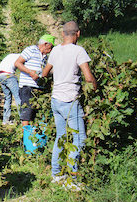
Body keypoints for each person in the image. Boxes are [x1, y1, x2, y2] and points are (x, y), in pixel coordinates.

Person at [41, 21, 97, 189]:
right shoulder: (78, 51)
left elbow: (44, 73)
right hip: (69, 101)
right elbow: (88, 77)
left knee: (61, 137)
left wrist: (59, 71)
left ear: (62, 34)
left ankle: (56, 175)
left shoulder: (56, 50)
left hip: (55, 100)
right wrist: (95, 86)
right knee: (79, 139)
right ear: (77, 34)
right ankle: (73, 180)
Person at [14, 34, 55, 142]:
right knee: (27, 113)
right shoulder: (31, 50)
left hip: (40, 88)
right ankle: (26, 140)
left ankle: (36, 140)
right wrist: (30, 72)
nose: (50, 50)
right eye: (50, 47)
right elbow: (17, 63)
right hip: (28, 87)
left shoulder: (45, 57)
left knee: (38, 113)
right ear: (45, 44)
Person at [0, 53, 21, 125]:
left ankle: (5, 121)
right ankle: (23, 120)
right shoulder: (22, 57)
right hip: (8, 75)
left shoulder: (12, 55)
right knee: (18, 97)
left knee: (7, 98)